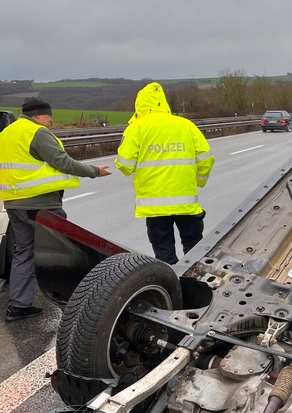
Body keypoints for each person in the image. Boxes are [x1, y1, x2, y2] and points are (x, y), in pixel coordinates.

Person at [0, 96, 112, 321]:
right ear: (39, 115)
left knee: (25, 252)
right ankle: (77, 304)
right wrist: (94, 171)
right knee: (61, 252)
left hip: (14, 203)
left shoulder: (6, 133)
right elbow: (63, 162)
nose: (51, 120)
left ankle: (18, 306)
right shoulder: (37, 133)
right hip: (40, 204)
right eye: (49, 115)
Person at [116, 82, 214, 264]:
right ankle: (197, 286)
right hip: (186, 203)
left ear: (140, 105)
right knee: (195, 252)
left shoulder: (136, 128)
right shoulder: (186, 125)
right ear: (163, 103)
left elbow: (125, 165)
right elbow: (206, 158)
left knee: (165, 256)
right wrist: (199, 180)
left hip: (155, 207)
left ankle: (174, 288)